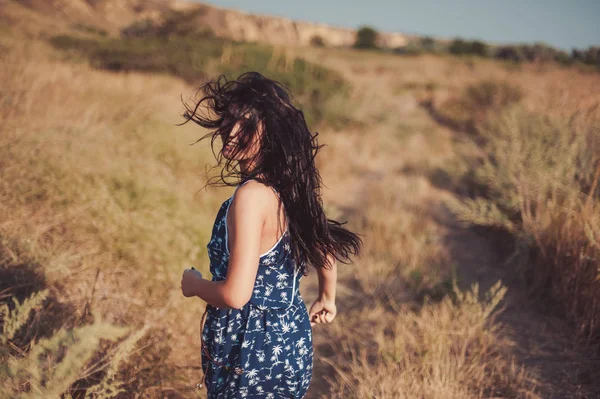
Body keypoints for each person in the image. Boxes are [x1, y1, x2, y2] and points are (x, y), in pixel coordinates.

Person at [178, 71, 362, 398]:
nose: (232, 132)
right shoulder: (291, 187)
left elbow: (236, 295)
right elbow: (322, 246)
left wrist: (194, 286)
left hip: (252, 347)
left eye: (247, 126)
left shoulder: (251, 196)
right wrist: (327, 297)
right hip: (291, 338)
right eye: (230, 120)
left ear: (271, 133)